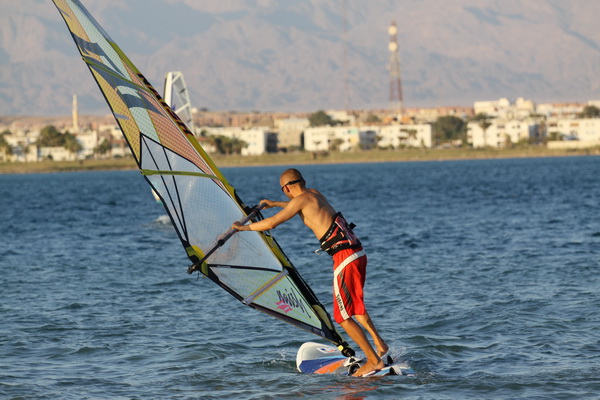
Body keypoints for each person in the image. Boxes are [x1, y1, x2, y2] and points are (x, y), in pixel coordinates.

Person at [232, 168, 389, 377]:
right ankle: (380, 344)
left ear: (286, 188)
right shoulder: (314, 194)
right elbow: (297, 205)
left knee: (342, 317)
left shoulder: (301, 201)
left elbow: (272, 223)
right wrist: (275, 204)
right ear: (302, 181)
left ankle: (373, 361)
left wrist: (241, 228)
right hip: (357, 252)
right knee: (355, 306)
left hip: (344, 258)